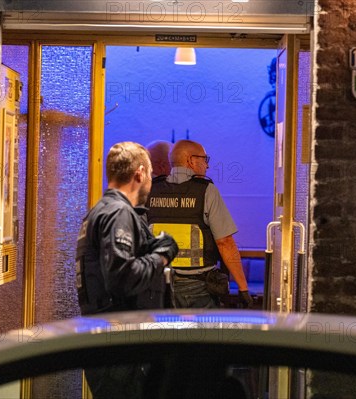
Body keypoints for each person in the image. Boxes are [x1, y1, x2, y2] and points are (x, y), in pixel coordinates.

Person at [75, 141, 178, 399]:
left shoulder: (101, 212)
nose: (152, 180)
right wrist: (161, 257)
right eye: (151, 174)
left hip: (112, 346)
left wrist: (149, 247)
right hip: (120, 352)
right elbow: (121, 277)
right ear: (140, 173)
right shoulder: (118, 213)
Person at [146, 139, 253, 309]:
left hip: (158, 286)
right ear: (190, 161)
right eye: (205, 159)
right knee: (199, 335)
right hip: (197, 288)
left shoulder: (150, 190)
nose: (207, 166)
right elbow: (224, 242)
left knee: (163, 334)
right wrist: (243, 288)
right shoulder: (206, 191)